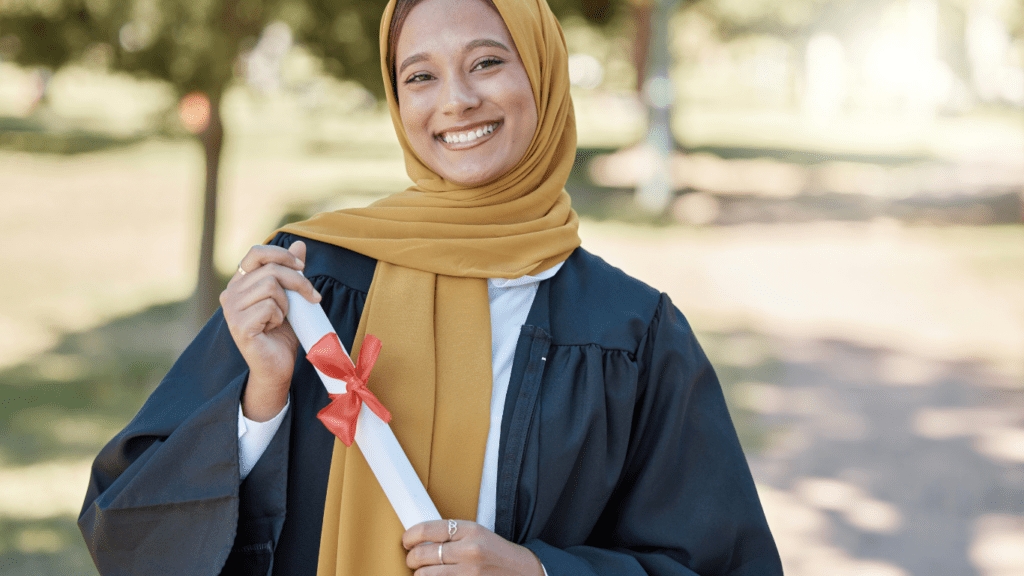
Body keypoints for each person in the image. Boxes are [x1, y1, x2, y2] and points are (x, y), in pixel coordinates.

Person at [79, 0, 783, 574]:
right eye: (420, 76)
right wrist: (260, 400)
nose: (457, 100)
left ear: (541, 71)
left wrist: (541, 573)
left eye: (486, 61)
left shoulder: (631, 332)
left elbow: (721, 564)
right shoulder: (311, 282)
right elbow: (129, 532)